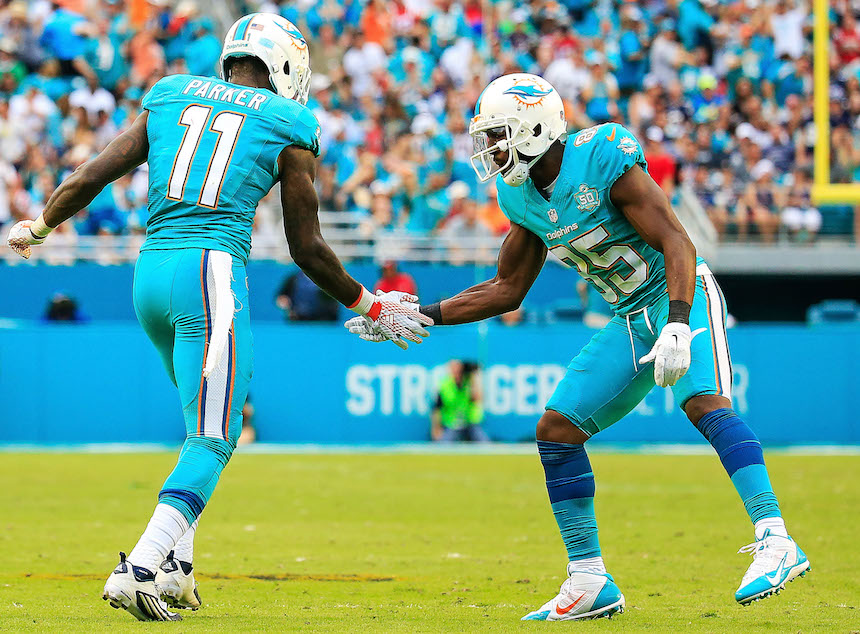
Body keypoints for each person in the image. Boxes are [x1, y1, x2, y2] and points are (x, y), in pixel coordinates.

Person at [7, 13, 432, 622]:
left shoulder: (172, 93)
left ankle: (177, 568)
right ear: (284, 67)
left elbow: (95, 172)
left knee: (195, 427)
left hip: (150, 273)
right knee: (216, 436)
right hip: (210, 274)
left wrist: (40, 225)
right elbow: (306, 247)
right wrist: (371, 303)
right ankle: (142, 566)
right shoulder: (288, 120)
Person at [347, 73, 808, 621]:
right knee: (557, 429)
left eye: (498, 135)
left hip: (676, 292)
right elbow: (507, 288)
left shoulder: (602, 156)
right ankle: (589, 579)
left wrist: (679, 323)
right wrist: (415, 313)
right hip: (629, 315)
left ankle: (776, 538)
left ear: (534, 128)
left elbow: (676, 241)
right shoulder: (519, 195)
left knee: (703, 401)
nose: (490, 149)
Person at [431, 360, 489, 442]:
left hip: (471, 423)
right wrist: (436, 428)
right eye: (453, 368)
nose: (456, 371)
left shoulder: (469, 383)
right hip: (452, 424)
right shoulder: (445, 385)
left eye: (458, 368)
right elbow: (437, 409)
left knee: (484, 443)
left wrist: (474, 377)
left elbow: (478, 399)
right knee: (443, 444)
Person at [276, 269, 340, 322]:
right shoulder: (293, 279)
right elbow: (282, 297)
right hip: (299, 319)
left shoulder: (327, 279)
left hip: (323, 320)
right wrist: (285, 303)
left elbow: (335, 299)